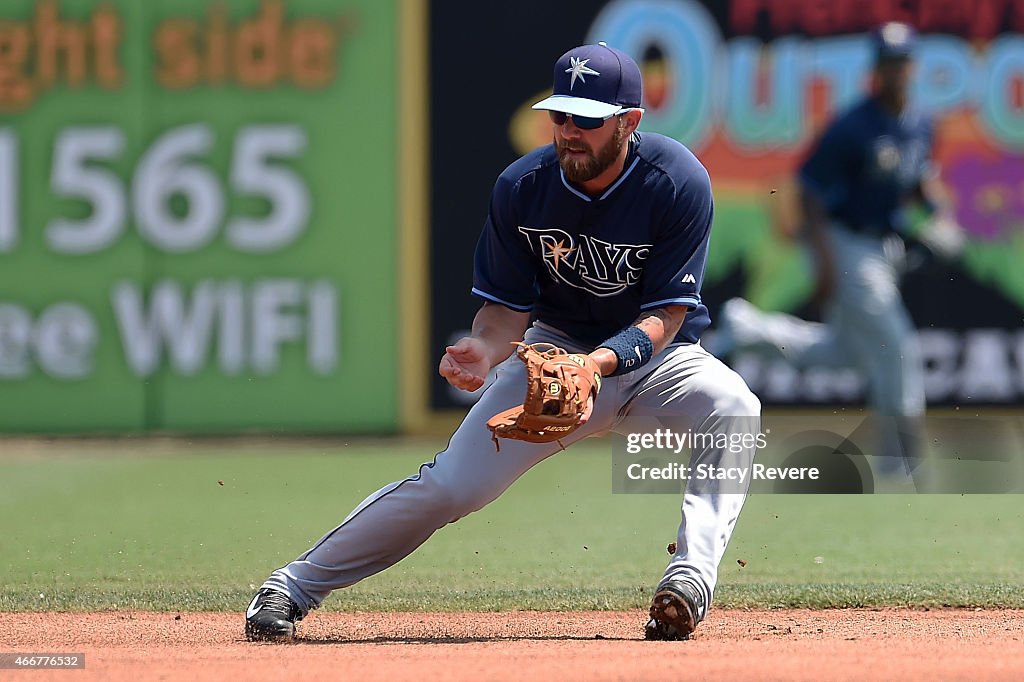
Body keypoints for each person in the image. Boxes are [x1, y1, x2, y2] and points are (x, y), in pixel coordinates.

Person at [244, 42, 761, 643]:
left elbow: (667, 316)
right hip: (553, 354)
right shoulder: (522, 187)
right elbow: (503, 313)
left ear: (630, 122)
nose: (569, 132)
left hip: (658, 361)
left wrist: (596, 365)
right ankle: (293, 585)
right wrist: (484, 350)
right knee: (451, 486)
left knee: (734, 408)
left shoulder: (675, 182)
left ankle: (690, 578)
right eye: (560, 115)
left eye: (587, 120)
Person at [716, 22, 958, 472]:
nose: (896, 71)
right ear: (876, 69)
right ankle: (901, 457)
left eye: (902, 62)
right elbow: (808, 191)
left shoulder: (921, 122)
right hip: (847, 244)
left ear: (913, 66)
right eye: (888, 63)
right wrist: (825, 261)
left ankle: (749, 330)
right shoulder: (852, 126)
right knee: (897, 346)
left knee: (845, 352)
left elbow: (919, 179)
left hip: (886, 248)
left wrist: (939, 211)